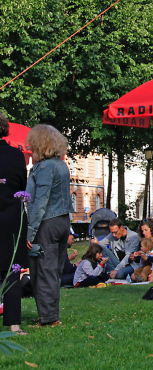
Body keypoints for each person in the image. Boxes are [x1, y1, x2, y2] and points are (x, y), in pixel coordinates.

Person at [25, 124, 72, 327]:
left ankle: (49, 318)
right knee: (53, 271)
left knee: (42, 270)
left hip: (47, 223)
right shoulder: (61, 165)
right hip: (62, 220)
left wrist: (30, 231)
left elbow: (39, 202)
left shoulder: (44, 168)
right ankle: (49, 313)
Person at [0, 112, 29, 334]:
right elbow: (22, 185)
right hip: (11, 217)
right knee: (11, 270)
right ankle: (13, 324)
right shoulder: (16, 155)